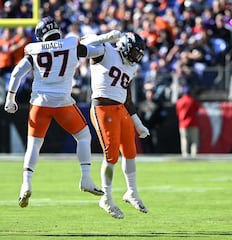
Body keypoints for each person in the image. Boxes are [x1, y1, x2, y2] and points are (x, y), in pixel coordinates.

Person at [4, 17, 122, 208]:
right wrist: (105, 39)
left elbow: (17, 72)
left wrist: (10, 98)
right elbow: (94, 51)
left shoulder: (33, 49)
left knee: (33, 146)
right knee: (84, 136)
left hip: (39, 104)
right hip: (63, 103)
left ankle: (26, 183)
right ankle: (85, 178)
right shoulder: (71, 44)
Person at [81, 31, 150, 219]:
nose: (137, 57)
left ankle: (132, 192)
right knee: (111, 156)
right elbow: (80, 46)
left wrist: (137, 122)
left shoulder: (131, 67)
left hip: (121, 109)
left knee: (130, 151)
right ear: (126, 45)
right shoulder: (106, 51)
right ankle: (107, 197)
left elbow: (127, 96)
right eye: (135, 52)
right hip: (103, 109)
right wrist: (104, 37)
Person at [175, 86, 201, 157]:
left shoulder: (179, 101)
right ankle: (194, 155)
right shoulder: (192, 101)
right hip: (193, 123)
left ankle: (185, 154)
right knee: (194, 141)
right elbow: (198, 110)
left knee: (184, 139)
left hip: (183, 124)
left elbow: (177, 113)